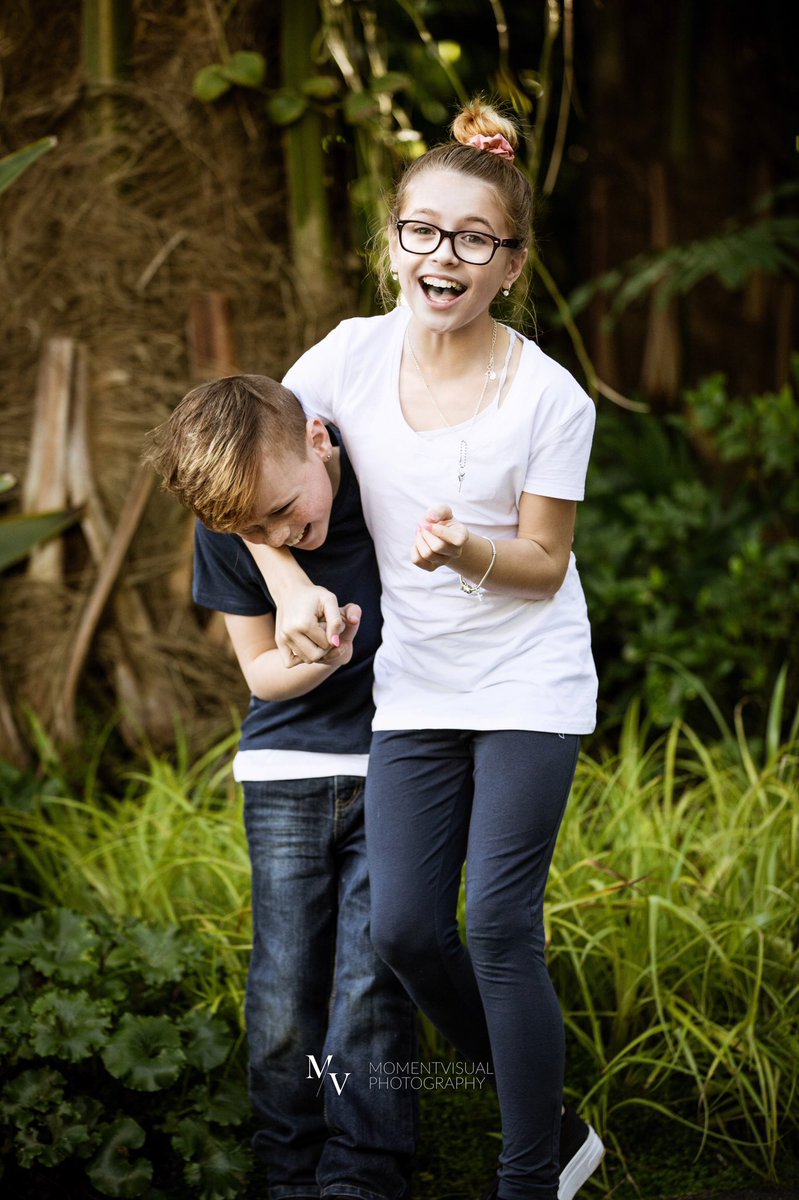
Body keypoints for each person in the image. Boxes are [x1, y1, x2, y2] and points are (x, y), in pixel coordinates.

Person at [248, 97, 606, 1200]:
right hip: (415, 686)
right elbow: (246, 471)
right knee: (407, 929)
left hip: (528, 680)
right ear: (391, 242)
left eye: (473, 238)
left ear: (510, 263)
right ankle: (548, 1113)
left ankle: (528, 1176)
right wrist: (290, 575)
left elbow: (544, 561)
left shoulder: (551, 396)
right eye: (423, 230)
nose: (442, 254)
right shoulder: (346, 358)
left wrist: (465, 558)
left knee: (497, 924)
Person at [145, 375, 417, 1200]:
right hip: (283, 772)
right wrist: (315, 660)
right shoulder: (237, 526)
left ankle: (363, 1173)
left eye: (283, 510)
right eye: (258, 529)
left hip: (395, 765)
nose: (280, 534)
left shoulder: (388, 483)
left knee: (372, 982)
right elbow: (259, 673)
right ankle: (288, 1168)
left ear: (320, 444)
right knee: (283, 989)